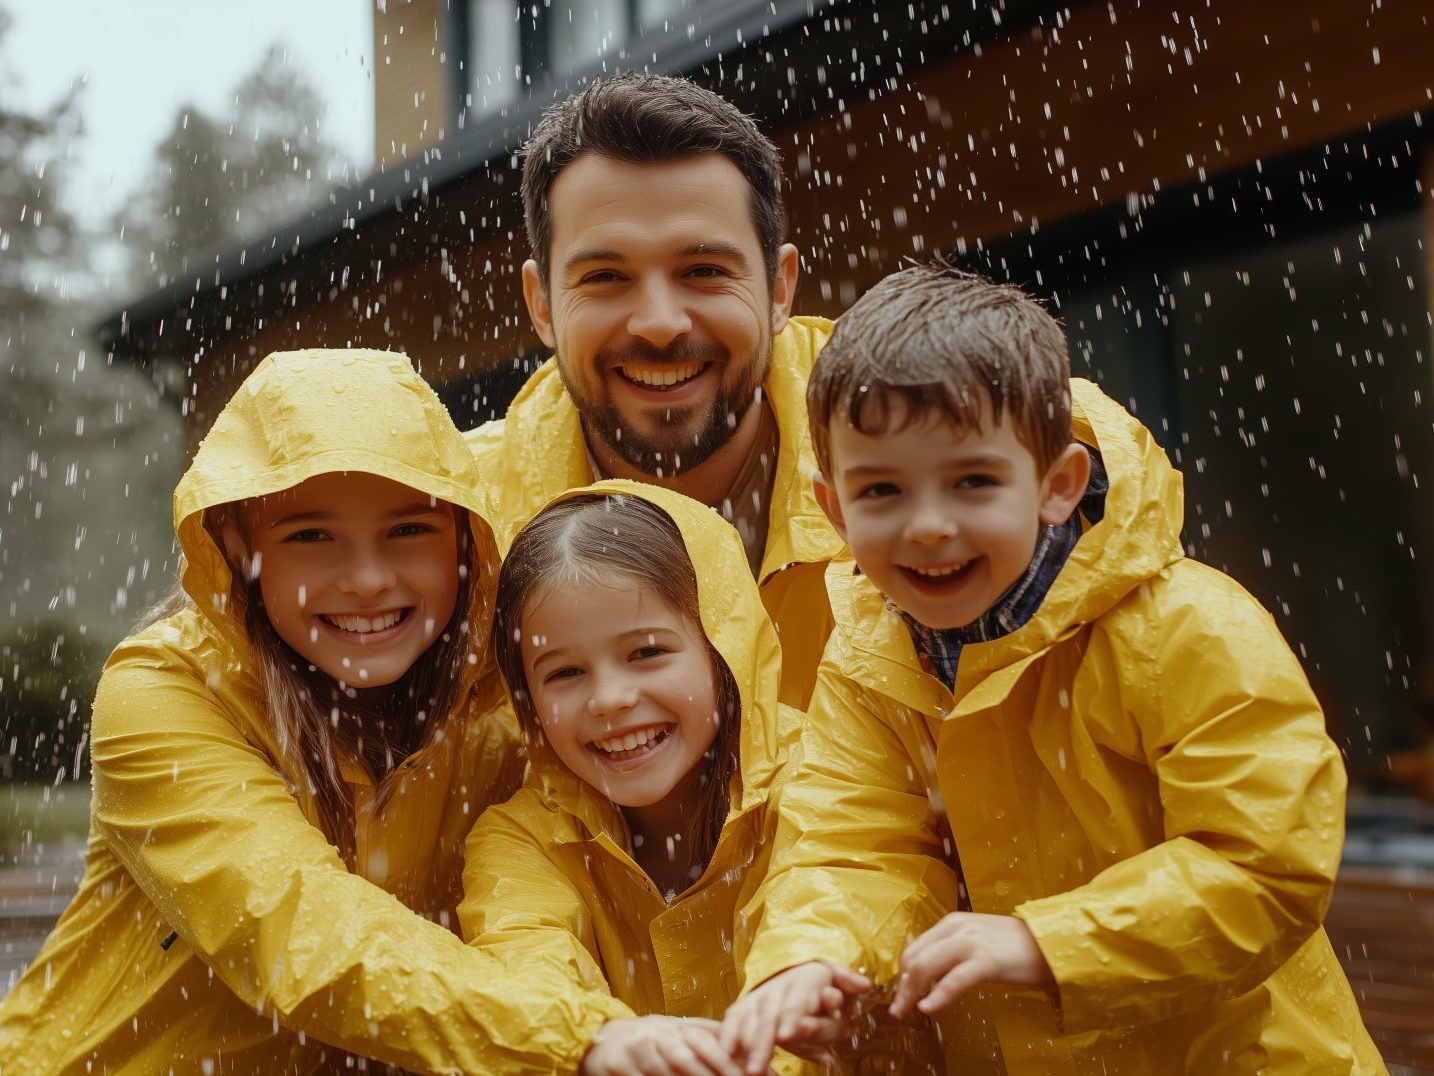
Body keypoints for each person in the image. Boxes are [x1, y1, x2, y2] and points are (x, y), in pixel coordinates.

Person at [722, 264, 1386, 1074]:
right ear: (833, 511)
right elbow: (852, 849)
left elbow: (1266, 865)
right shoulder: (867, 660)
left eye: (972, 481)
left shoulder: (1185, 630)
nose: (929, 526)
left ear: (1058, 485)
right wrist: (805, 958)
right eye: (883, 491)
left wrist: (1045, 942)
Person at [0, 350, 630, 1073]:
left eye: (408, 530)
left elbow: (541, 906)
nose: (366, 579)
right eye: (310, 536)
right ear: (239, 544)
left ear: (465, 537)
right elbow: (304, 933)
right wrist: (580, 1038)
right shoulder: (162, 691)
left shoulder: (497, 712)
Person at [465, 72, 843, 709]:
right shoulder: (451, 522)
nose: (661, 323)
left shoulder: (943, 449)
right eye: (607, 276)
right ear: (543, 305)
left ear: (779, 289)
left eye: (703, 271)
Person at [459, 483, 858, 1075]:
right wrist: (600, 1042)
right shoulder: (521, 838)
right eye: (565, 672)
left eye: (646, 652)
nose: (611, 700)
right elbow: (523, 967)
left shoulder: (825, 771)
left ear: (723, 649)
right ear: (527, 702)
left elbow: (830, 910)